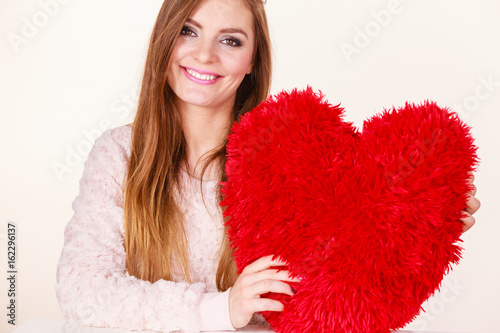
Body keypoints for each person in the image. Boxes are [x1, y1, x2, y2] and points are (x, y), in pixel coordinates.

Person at [55, 0, 481, 332]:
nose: (204, 55)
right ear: (164, 40)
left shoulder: (286, 157)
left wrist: (413, 226)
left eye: (230, 40)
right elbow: (81, 289)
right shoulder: (118, 154)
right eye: (188, 31)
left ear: (253, 60)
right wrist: (221, 308)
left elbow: (338, 279)